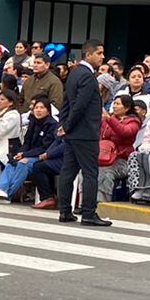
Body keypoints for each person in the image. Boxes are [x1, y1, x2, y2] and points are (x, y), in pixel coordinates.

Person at [58, 40, 112, 226]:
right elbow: (79, 105)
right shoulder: (88, 77)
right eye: (99, 53)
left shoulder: (74, 74)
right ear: (88, 55)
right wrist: (67, 125)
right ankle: (89, 213)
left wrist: (64, 124)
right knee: (90, 173)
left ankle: (65, 211)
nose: (102, 57)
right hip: (85, 132)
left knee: (68, 171)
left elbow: (66, 103)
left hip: (73, 132)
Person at [0, 97, 56, 202]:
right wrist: (21, 153)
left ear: (48, 110)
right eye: (36, 108)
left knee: (23, 163)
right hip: (29, 153)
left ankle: (8, 195)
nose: (38, 110)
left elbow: (44, 147)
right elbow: (26, 142)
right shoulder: (33, 122)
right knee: (12, 161)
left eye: (42, 108)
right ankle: (1, 189)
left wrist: (25, 155)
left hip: (43, 156)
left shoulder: (52, 125)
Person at [97, 94, 141, 202]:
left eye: (118, 104)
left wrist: (109, 119)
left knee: (104, 172)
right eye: (114, 104)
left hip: (121, 160)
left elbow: (125, 132)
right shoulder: (107, 119)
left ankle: (101, 203)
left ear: (126, 107)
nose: (115, 106)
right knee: (86, 171)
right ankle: (84, 202)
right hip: (103, 156)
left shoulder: (134, 121)